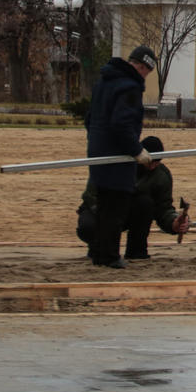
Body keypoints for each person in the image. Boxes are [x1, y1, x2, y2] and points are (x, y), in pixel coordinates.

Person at [82, 45, 158, 268]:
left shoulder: (104, 82)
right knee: (116, 207)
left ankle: (99, 253)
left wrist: (97, 143)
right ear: (142, 67)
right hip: (117, 156)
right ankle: (109, 256)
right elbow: (122, 123)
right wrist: (136, 150)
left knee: (104, 204)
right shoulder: (130, 88)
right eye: (147, 72)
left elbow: (90, 118)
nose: (145, 77)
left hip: (98, 151)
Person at [76, 135, 190, 261]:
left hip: (130, 213)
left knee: (144, 203)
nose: (152, 166)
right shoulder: (114, 164)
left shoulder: (161, 176)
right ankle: (100, 249)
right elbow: (91, 196)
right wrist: (110, 217)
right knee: (88, 226)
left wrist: (174, 223)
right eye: (150, 161)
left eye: (157, 162)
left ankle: (137, 252)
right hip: (103, 210)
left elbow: (163, 208)